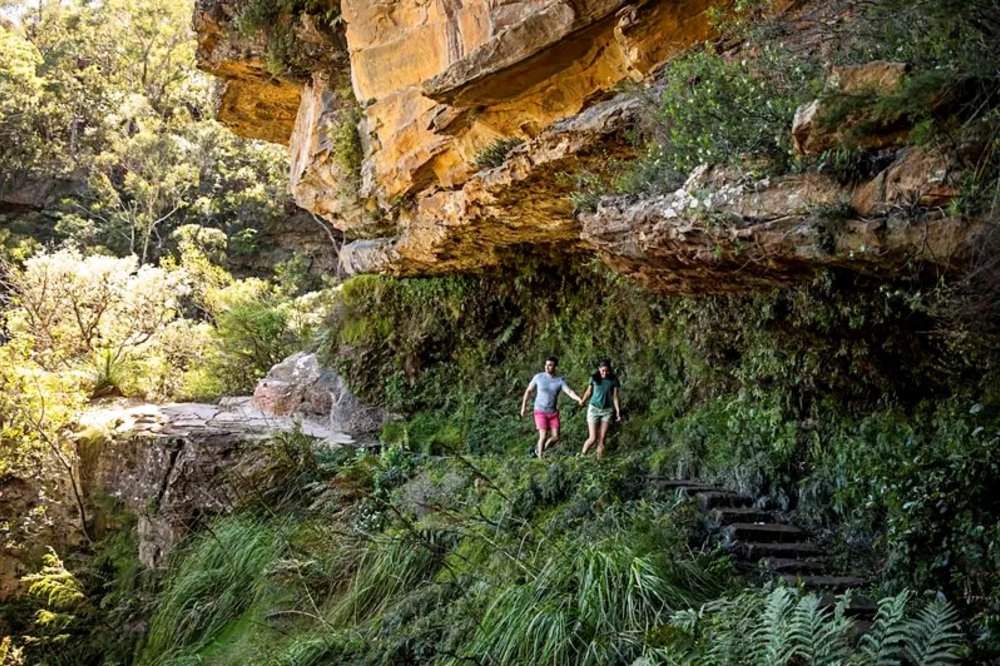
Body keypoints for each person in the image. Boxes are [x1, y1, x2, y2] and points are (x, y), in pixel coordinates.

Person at [520, 356, 583, 458]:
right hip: (540, 411)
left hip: (553, 412)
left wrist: (579, 399)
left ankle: (539, 450)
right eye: (546, 365)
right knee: (543, 436)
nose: (547, 367)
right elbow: (528, 391)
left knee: (556, 437)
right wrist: (523, 407)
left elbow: (569, 391)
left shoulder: (559, 381)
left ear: (555, 367)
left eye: (550, 365)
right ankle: (540, 460)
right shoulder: (538, 377)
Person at [578, 359, 621, 459]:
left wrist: (618, 411)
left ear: (609, 370)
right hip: (594, 409)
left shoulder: (613, 380)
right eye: (602, 371)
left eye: (607, 371)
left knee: (602, 439)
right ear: (599, 370)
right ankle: (581, 458)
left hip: (606, 410)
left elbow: (615, 396)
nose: (605, 373)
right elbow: (589, 392)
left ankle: (598, 462)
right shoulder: (594, 378)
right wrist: (583, 400)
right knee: (592, 438)